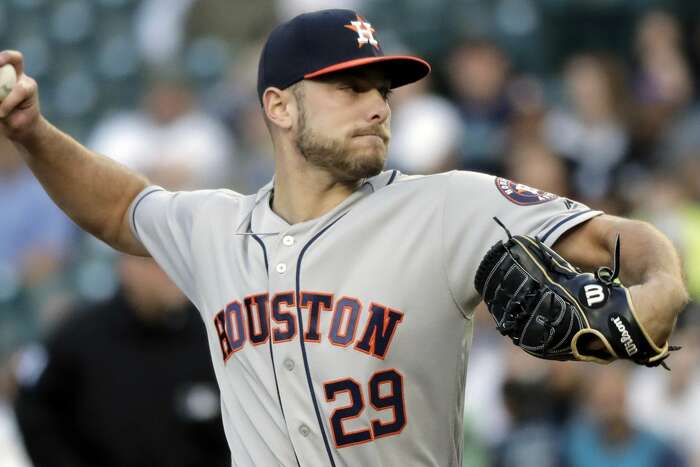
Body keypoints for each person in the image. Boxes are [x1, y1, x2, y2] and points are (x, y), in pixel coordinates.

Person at [0, 8, 687, 467]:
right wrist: (30, 131)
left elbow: (621, 239)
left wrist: (662, 286)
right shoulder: (214, 228)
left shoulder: (450, 203)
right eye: (348, 86)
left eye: (382, 88)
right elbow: (119, 207)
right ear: (279, 106)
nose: (377, 105)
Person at [12, 254, 229, 467]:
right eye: (156, 262)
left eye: (176, 258)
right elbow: (33, 408)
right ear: (126, 266)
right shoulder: (81, 336)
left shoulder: (215, 334)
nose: (170, 271)